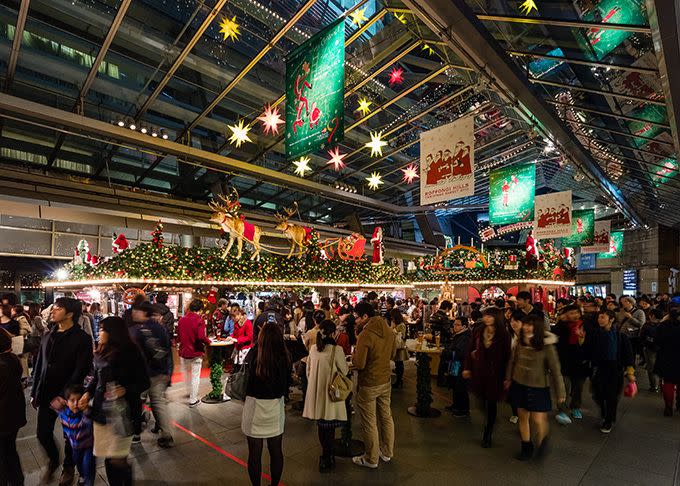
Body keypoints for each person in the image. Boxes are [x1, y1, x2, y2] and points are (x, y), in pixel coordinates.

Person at [80, 316, 150, 486]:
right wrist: (87, 393)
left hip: (122, 413)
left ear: (113, 332)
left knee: (117, 459)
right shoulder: (101, 350)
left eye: (103, 329)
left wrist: (126, 389)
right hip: (101, 413)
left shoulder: (130, 351)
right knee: (108, 457)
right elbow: (97, 378)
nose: (100, 332)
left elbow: (144, 381)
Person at [31, 297, 93, 485]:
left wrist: (64, 394)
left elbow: (81, 369)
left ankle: (68, 467)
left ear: (70, 314)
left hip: (69, 396)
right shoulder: (48, 335)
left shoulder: (82, 338)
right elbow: (40, 364)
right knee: (43, 433)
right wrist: (35, 390)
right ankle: (53, 460)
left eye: (57, 309)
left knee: (70, 437)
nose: (52, 311)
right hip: (46, 393)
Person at [506, 314, 565, 461]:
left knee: (538, 420)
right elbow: (512, 361)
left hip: (538, 386)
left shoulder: (546, 345)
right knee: (523, 417)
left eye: (530, 325)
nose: (526, 327)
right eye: (525, 324)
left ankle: (543, 440)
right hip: (519, 384)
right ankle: (526, 447)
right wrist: (508, 378)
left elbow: (555, 369)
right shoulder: (519, 341)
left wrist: (561, 392)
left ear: (537, 327)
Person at [242, 323, 292, 486]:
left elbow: (246, 380)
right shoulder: (285, 356)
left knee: (254, 455)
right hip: (275, 408)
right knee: (276, 452)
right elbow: (287, 385)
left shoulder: (255, 353)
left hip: (254, 407)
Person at [351, 301, 396, 469]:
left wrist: (355, 353)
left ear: (365, 316)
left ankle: (371, 458)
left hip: (369, 383)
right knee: (386, 416)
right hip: (385, 380)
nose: (355, 320)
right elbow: (392, 354)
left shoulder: (366, 334)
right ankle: (387, 452)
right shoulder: (389, 330)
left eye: (357, 317)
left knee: (370, 421)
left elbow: (360, 364)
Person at [303, 320, 349, 472]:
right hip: (331, 393)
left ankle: (325, 456)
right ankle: (328, 456)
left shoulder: (314, 349)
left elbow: (308, 372)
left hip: (317, 394)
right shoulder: (337, 350)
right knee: (329, 428)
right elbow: (345, 371)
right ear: (333, 333)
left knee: (322, 427)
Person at [463, 307, 511, 448]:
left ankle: (488, 433)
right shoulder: (478, 331)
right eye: (485, 316)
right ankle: (491, 421)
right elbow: (469, 349)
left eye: (490, 316)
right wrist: (467, 367)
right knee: (479, 401)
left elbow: (508, 356)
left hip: (496, 374)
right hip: (479, 371)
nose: (487, 319)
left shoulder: (503, 334)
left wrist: (507, 376)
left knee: (491, 403)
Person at [130, 301, 173, 447]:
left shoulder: (136, 330)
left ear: (143, 312)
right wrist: (169, 372)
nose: (133, 313)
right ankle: (166, 435)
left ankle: (135, 434)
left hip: (141, 374)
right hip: (160, 372)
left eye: (135, 310)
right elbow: (167, 351)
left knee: (137, 403)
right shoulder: (160, 329)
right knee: (158, 403)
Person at [590, 310, 635, 432]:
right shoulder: (595, 334)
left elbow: (629, 356)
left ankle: (609, 420)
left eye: (603, 317)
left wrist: (630, 372)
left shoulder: (621, 337)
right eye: (599, 317)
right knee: (598, 395)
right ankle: (605, 413)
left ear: (611, 319)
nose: (600, 320)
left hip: (615, 369)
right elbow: (589, 351)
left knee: (611, 396)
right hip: (599, 369)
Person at [552, 304, 590, 425]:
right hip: (564, 362)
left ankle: (575, 407)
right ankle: (562, 409)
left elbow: (591, 344)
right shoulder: (561, 327)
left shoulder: (586, 326)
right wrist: (559, 322)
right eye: (570, 313)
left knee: (578, 387)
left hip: (580, 362)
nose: (574, 315)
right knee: (564, 387)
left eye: (576, 312)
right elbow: (555, 340)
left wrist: (582, 340)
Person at [50, 384, 95, 486]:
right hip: (75, 448)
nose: (75, 403)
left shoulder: (85, 413)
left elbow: (89, 421)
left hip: (88, 447)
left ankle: (88, 482)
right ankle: (82, 477)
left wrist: (86, 410)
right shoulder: (63, 412)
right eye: (72, 400)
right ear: (66, 402)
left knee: (88, 466)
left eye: (78, 400)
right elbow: (53, 404)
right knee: (79, 464)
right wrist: (58, 400)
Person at [0, 328, 26, 486]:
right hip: (12, 416)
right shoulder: (11, 359)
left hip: (3, 419)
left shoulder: (2, 365)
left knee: (4, 456)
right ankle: (17, 481)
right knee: (9, 451)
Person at [177, 299, 210, 407]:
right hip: (195, 352)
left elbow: (178, 336)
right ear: (200, 309)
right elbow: (201, 337)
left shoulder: (182, 319)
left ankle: (189, 392)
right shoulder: (199, 320)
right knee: (195, 376)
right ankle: (193, 399)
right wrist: (208, 341)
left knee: (186, 374)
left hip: (184, 351)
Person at [654, 307, 680, 416]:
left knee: (668, 383)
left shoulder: (663, 326)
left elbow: (657, 341)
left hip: (666, 358)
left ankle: (668, 408)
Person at [446, 316, 471, 417]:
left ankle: (463, 410)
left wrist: (447, 352)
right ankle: (456, 405)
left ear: (464, 326)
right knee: (455, 386)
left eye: (457, 325)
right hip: (455, 364)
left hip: (461, 365)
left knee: (461, 387)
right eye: (454, 324)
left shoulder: (465, 336)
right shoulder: (458, 335)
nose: (454, 327)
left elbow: (460, 353)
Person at [507, 310, 524, 424]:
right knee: (512, 392)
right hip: (511, 368)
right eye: (511, 321)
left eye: (516, 321)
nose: (513, 323)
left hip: (524, 369)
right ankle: (515, 412)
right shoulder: (509, 335)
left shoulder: (528, 335)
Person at [640, 307, 663, 392]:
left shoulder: (647, 325)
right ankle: (662, 385)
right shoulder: (664, 325)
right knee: (662, 366)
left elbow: (641, 337)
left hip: (650, 349)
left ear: (651, 316)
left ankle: (654, 386)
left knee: (651, 368)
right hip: (662, 349)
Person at [389, 308, 408, 389]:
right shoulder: (398, 324)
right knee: (398, 364)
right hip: (396, 346)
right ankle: (399, 380)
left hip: (400, 348)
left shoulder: (401, 325)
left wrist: (393, 328)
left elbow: (401, 336)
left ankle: (399, 381)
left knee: (399, 364)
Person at [232, 307, 254, 372]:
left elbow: (249, 337)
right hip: (238, 348)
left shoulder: (247, 323)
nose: (232, 318)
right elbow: (234, 334)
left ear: (240, 315)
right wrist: (230, 337)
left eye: (234, 316)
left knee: (244, 370)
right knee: (237, 369)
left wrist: (238, 340)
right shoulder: (236, 323)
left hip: (245, 350)